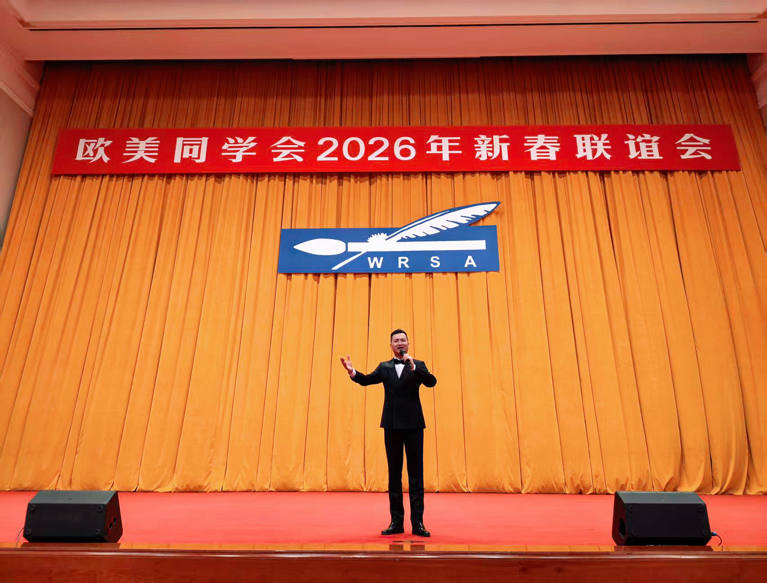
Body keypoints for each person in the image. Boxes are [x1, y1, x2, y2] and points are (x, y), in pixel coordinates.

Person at [340, 329, 437, 538]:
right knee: (394, 475)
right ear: (391, 345)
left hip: (414, 426)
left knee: (416, 475)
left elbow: (431, 382)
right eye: (396, 341)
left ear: (408, 344)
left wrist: (414, 367)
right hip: (392, 426)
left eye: (403, 340)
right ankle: (396, 522)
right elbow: (366, 380)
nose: (400, 343)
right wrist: (352, 372)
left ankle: (418, 523)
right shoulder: (384, 367)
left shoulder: (418, 365)